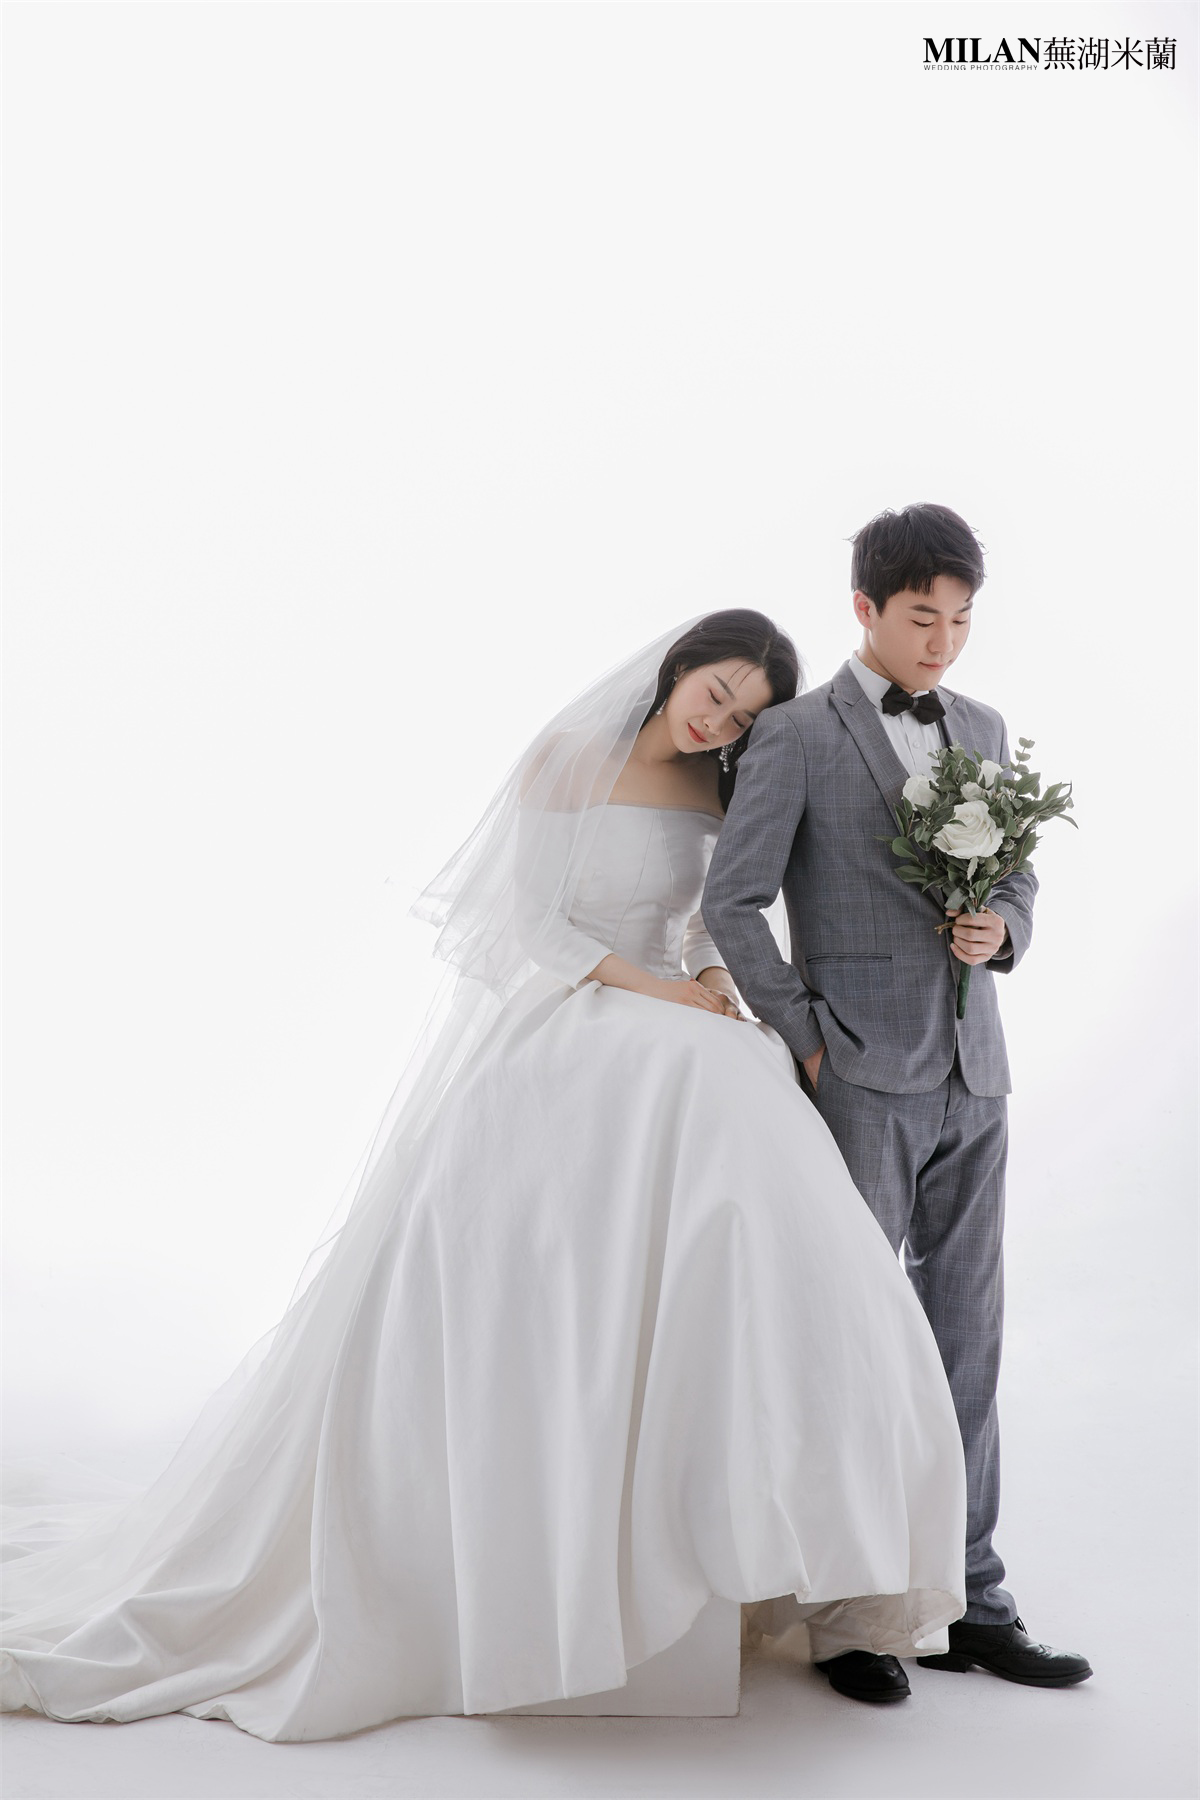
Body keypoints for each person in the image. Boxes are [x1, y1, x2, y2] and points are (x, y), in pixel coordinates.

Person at [2, 608, 970, 1742]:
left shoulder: (720, 789)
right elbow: (528, 927)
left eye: (744, 716)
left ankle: (753, 1529)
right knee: (667, 1096)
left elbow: (709, 922)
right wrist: (657, 992)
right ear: (677, 669)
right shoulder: (569, 757)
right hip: (572, 1010)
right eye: (715, 692)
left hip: (671, 1020)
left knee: (741, 1115)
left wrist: (712, 983)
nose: (720, 722)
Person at [702, 510, 1093, 1693]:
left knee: (967, 1344)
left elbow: (1018, 878)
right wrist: (809, 1037)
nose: (945, 642)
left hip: (979, 1074)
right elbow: (733, 902)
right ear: (865, 609)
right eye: (924, 618)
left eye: (963, 620)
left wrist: (1000, 930)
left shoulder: (982, 727)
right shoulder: (793, 736)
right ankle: (853, 1618)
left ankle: (974, 1599)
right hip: (860, 1081)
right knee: (853, 1348)